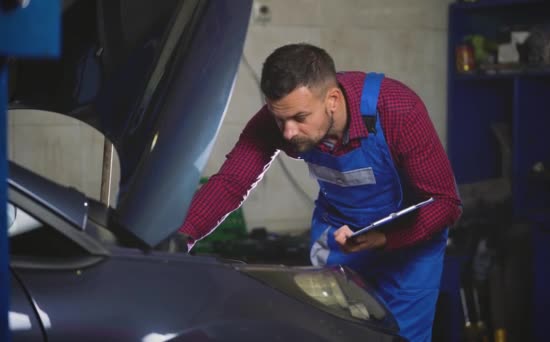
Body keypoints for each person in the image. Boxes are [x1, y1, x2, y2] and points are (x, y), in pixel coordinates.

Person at [178, 43, 462, 341]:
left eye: (300, 118)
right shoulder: (280, 120)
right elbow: (231, 183)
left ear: (333, 100)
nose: (288, 132)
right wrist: (182, 237)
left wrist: (385, 238)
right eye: (280, 119)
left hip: (410, 246)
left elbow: (447, 203)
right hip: (339, 239)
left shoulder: (397, 110)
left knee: (399, 338)